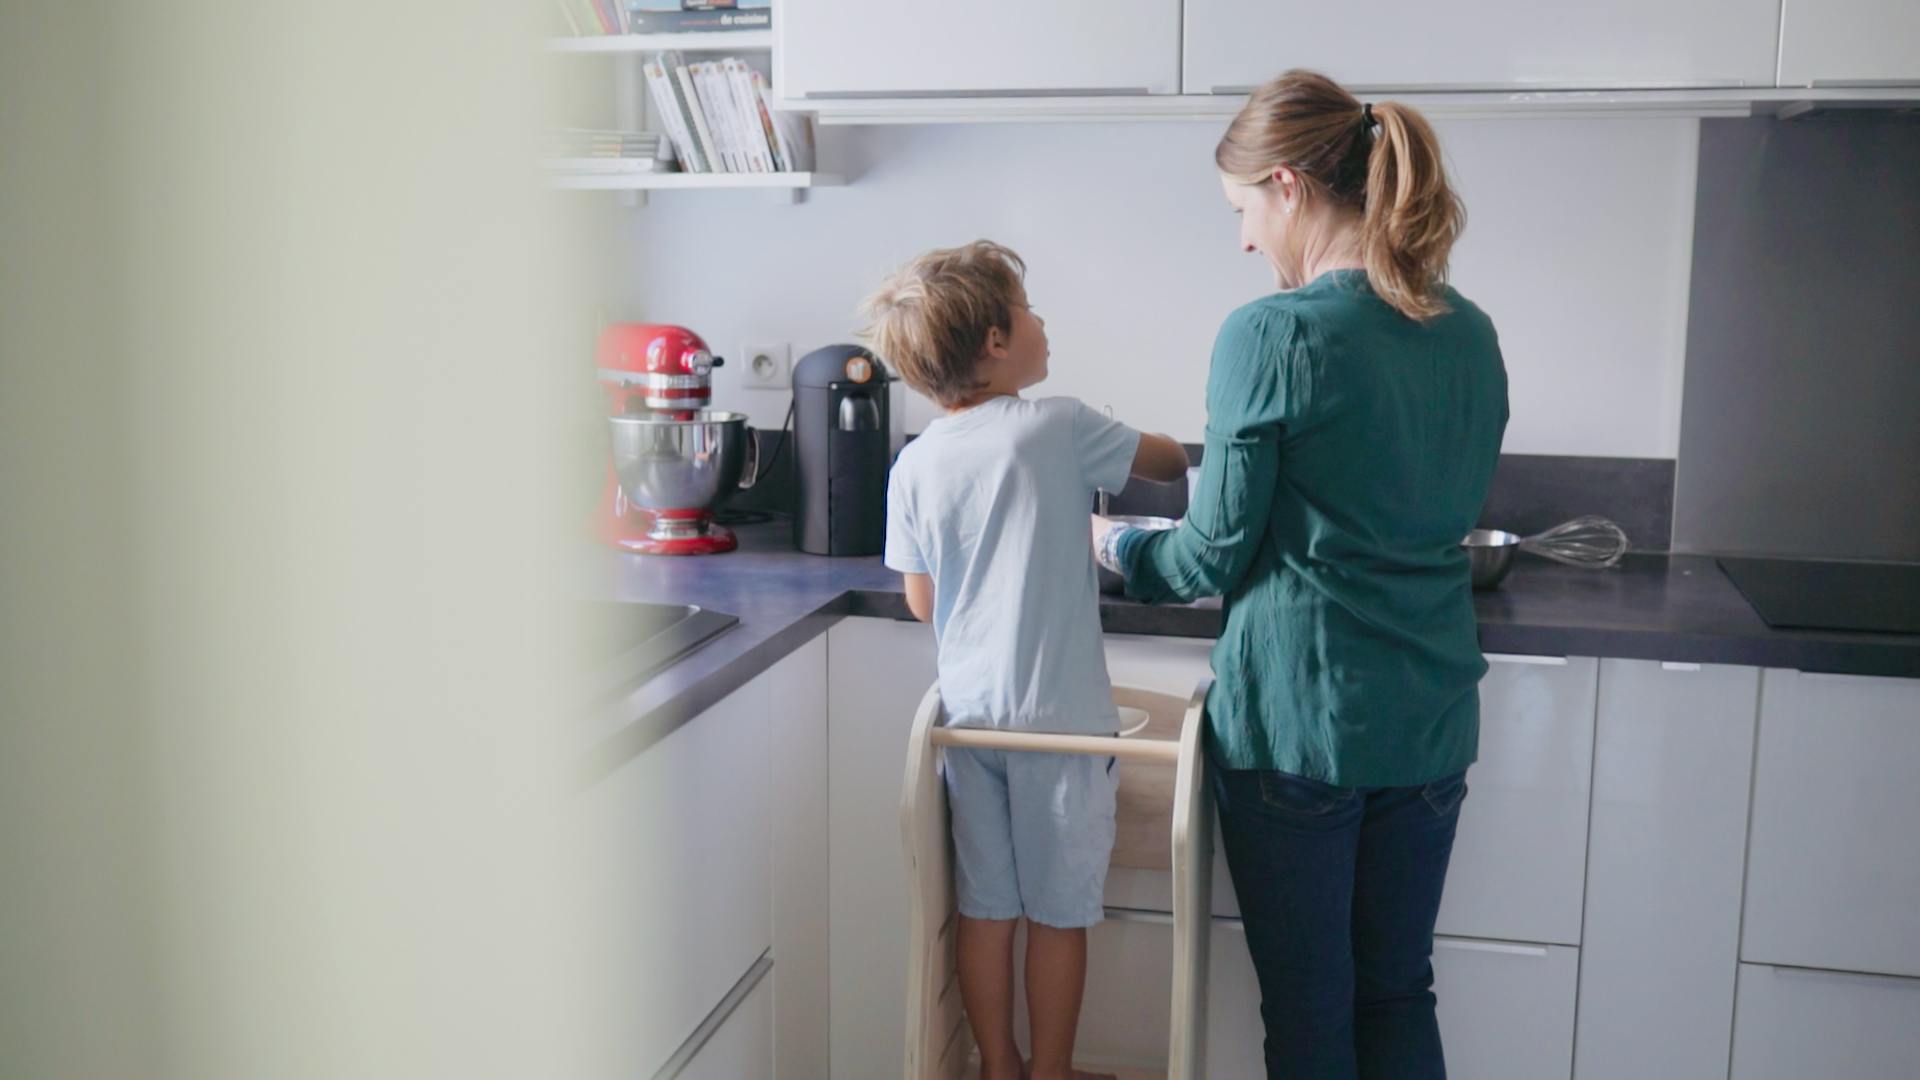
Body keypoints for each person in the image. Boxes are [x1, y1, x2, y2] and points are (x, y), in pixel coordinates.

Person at [1094, 71, 1510, 1080]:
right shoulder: (1468, 331)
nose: (1244, 240)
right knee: (1398, 990)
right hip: (1431, 721)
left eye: (1242, 211)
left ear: (1286, 186)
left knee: (1314, 1015)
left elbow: (1209, 552)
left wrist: (1111, 546)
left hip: (1301, 729)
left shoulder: (1271, 333)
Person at [863, 240, 1188, 1080]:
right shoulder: (1059, 424)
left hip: (968, 723)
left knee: (986, 908)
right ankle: (1052, 1072)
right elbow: (1170, 465)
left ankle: (999, 1065)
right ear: (999, 341)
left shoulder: (913, 463)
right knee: (1060, 913)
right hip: (1063, 728)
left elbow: (922, 601)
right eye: (1030, 306)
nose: (1045, 322)